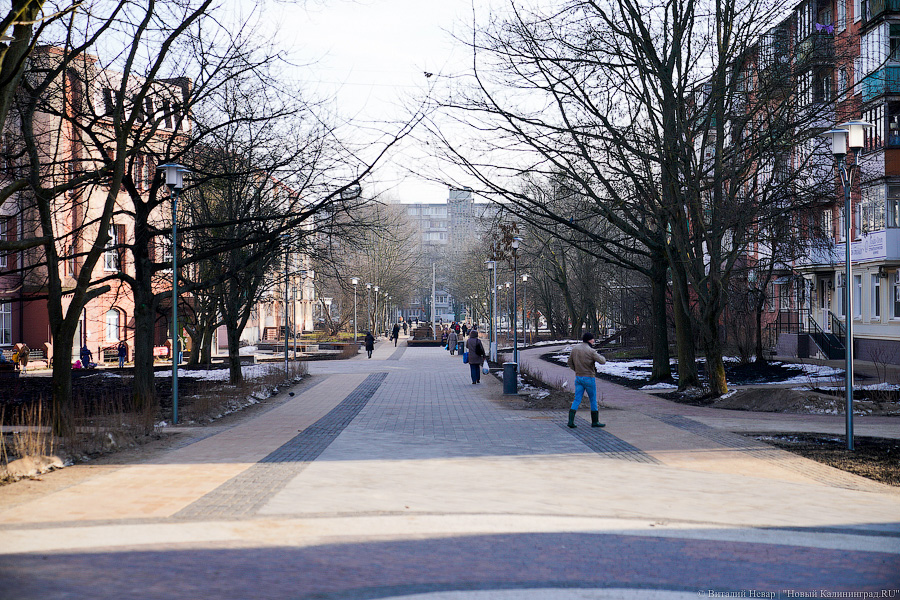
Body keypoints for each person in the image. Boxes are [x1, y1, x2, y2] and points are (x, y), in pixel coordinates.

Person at [566, 332, 607, 428]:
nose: (594, 341)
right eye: (593, 339)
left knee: (577, 399)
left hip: (578, 377)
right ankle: (595, 422)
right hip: (589, 378)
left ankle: (570, 421)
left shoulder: (575, 349)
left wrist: (576, 370)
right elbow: (602, 361)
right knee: (593, 400)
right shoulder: (591, 351)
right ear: (590, 340)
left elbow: (569, 362)